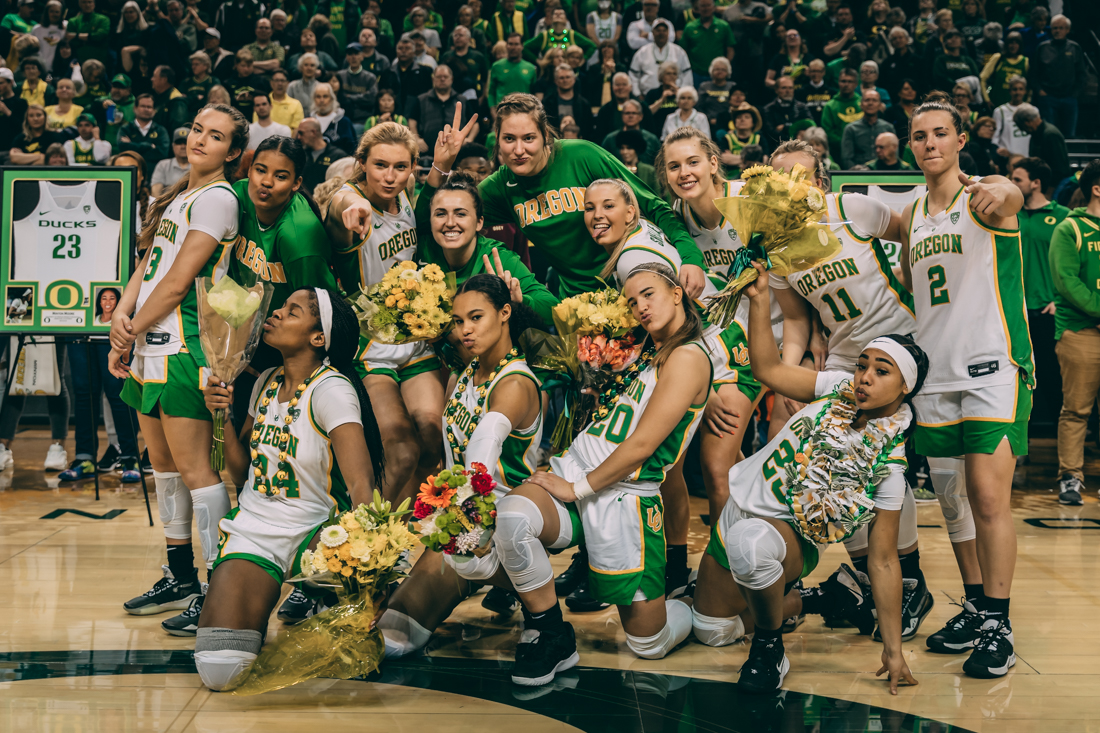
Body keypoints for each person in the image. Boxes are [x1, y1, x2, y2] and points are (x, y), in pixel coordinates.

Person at [693, 260, 923, 695]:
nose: (864, 377)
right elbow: (768, 369)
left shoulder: (889, 464)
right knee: (711, 629)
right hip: (738, 506)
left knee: (752, 547)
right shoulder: (836, 386)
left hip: (787, 536)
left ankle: (768, 646)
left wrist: (893, 651)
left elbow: (884, 559)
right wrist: (759, 299)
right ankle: (821, 598)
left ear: (905, 387)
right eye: (863, 365)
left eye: (881, 371)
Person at [481, 262, 707, 686]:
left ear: (677, 294)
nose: (639, 306)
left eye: (649, 294)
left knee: (648, 643)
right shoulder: (638, 350)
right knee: (512, 517)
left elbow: (642, 445)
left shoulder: (690, 356)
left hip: (626, 495)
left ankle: (698, 607)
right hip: (576, 473)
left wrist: (576, 487)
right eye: (631, 300)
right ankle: (549, 633)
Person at [766, 139, 934, 639]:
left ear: (820, 181)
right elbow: (795, 322)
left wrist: (908, 279)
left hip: (901, 343)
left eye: (800, 176)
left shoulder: (851, 207)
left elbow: (909, 231)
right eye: (779, 179)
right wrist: (788, 376)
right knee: (839, 468)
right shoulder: (776, 247)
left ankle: (911, 581)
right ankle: (869, 579)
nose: (790, 187)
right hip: (844, 358)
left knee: (883, 463)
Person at [193, 287, 385, 691]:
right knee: (219, 668)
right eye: (280, 308)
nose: (276, 314)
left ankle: (320, 591)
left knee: (357, 656)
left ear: (319, 337)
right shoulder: (265, 380)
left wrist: (368, 570)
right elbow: (242, 473)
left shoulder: (332, 389)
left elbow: (361, 483)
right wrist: (221, 415)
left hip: (317, 534)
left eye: (291, 311)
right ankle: (283, 598)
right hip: (255, 528)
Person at [898, 99, 1031, 679]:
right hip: (936, 376)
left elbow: (1012, 196)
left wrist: (1005, 188)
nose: (930, 143)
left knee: (988, 498)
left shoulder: (986, 196)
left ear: (958, 141)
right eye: (920, 136)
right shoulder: (911, 216)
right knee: (954, 506)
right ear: (911, 146)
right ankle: (977, 607)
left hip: (991, 369)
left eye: (941, 134)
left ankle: (999, 624)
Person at [111, 104, 249, 636]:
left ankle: (218, 588)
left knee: (197, 473)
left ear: (232, 152)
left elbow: (177, 282)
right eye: (197, 130)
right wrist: (122, 319)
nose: (200, 140)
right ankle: (180, 575)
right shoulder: (180, 193)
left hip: (186, 346)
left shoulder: (218, 199)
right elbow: (148, 268)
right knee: (163, 467)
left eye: (215, 137)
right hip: (148, 344)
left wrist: (131, 327)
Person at [372, 272, 543, 653]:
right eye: (458, 321)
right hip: (461, 520)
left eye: (476, 318)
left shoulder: (515, 382)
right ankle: (514, 587)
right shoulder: (468, 373)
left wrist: (454, 519)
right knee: (388, 632)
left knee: (393, 640)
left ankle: (536, 601)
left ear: (504, 313)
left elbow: (485, 444)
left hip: (501, 520)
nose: (465, 330)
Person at [324, 119, 465, 505]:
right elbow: (342, 204)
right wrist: (350, 208)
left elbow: (428, 195)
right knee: (401, 449)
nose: (389, 176)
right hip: (371, 349)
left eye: (400, 167)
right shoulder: (351, 201)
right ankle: (366, 533)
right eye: (380, 165)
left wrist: (442, 164)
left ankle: (398, 532)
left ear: (411, 169)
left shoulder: (406, 197)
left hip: (414, 341)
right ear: (362, 163)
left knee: (434, 437)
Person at [479, 93, 707, 299]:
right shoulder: (500, 186)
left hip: (636, 288)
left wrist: (691, 258)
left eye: (529, 138)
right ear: (497, 138)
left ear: (545, 135)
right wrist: (442, 168)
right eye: (509, 139)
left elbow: (654, 206)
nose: (519, 150)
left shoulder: (581, 155)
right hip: (579, 305)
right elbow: (450, 217)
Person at [1049, 160, 1100, 506]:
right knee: (1077, 409)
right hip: (1081, 331)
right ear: (1097, 188)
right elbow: (1067, 283)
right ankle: (1070, 477)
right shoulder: (1070, 228)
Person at [1011, 157, 1068, 441]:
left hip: (1049, 313)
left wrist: (1060, 298)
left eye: (1017, 179)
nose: (1011, 184)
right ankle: (1021, 448)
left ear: (1036, 183)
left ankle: (1064, 447)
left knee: (1055, 382)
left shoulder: (1064, 217)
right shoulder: (1008, 215)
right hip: (1014, 313)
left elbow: (1079, 263)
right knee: (1019, 384)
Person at [60, 287, 142, 483]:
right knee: (83, 395)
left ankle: (130, 458)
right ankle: (84, 457)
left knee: (119, 396)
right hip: (78, 330)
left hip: (110, 335)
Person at [1028, 15, 1084, 139]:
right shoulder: (1042, 47)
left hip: (1069, 97)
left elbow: (1081, 73)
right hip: (1048, 98)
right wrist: (1040, 91)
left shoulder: (1075, 48)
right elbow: (1033, 74)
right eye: (1054, 28)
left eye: (1061, 28)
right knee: (1049, 134)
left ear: (1068, 30)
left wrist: (1075, 93)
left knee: (1070, 135)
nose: (1057, 31)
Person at [408, 65, 478, 155]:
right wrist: (417, 139)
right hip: (428, 152)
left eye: (445, 77)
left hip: (457, 152)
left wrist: (469, 139)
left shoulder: (462, 100)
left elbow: (475, 123)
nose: (442, 79)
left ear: (451, 79)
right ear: (433, 79)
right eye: (439, 77)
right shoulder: (421, 99)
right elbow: (412, 121)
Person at [628, 21, 691, 98]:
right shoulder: (642, 52)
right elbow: (633, 75)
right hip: (647, 96)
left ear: (668, 33)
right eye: (658, 30)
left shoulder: (678, 51)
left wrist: (682, 93)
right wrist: (637, 94)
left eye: (664, 30)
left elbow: (687, 74)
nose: (661, 33)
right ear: (653, 33)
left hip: (675, 95)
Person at [1013, 103, 1069, 189]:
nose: (1021, 130)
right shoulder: (1035, 135)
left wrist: (1050, 189)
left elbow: (1059, 167)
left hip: (1056, 186)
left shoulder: (1050, 134)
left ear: (1027, 121)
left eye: (1020, 126)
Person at [841, 89, 892, 170]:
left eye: (874, 100)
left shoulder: (888, 128)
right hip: (858, 176)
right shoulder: (850, 129)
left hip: (884, 175)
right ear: (861, 105)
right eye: (867, 100)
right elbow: (847, 159)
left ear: (880, 105)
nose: (870, 103)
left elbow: (893, 156)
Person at [541, 64, 593, 140]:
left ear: (574, 79)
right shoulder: (547, 103)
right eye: (561, 78)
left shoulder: (584, 104)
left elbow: (588, 130)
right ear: (556, 81)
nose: (565, 80)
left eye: (568, 77)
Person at [118, 94, 170, 168]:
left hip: (154, 174)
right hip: (130, 171)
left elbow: (162, 153)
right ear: (135, 108)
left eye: (149, 107)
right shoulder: (125, 129)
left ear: (154, 111)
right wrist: (148, 146)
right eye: (143, 106)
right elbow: (123, 149)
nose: (146, 109)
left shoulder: (161, 131)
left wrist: (132, 145)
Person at [296, 118, 346, 192]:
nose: (299, 137)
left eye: (301, 133)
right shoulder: (300, 155)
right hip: (304, 201)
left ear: (313, 132)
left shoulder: (338, 156)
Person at [980, 32, 1027, 111]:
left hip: (1018, 108)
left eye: (1016, 43)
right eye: (1011, 43)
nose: (1013, 46)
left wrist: (1027, 102)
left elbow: (1029, 86)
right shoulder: (998, 58)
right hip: (996, 105)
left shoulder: (1025, 61)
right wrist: (986, 99)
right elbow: (982, 78)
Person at [821, 68, 861, 161]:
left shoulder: (863, 103)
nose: (846, 85)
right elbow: (827, 132)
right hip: (837, 152)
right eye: (843, 81)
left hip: (861, 151)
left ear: (856, 84)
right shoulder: (830, 106)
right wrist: (847, 143)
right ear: (838, 82)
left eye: (850, 81)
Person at [487, 33, 537, 107]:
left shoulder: (531, 68)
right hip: (502, 111)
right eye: (510, 44)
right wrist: (492, 111)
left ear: (522, 46)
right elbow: (491, 93)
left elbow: (534, 94)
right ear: (506, 46)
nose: (513, 47)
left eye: (516, 44)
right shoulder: (496, 66)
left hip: (524, 111)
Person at [762, 76, 812, 147]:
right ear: (776, 90)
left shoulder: (802, 107)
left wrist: (784, 128)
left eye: (790, 88)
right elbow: (770, 133)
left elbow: (811, 126)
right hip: (776, 147)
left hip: (799, 147)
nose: (788, 91)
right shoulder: (768, 109)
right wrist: (796, 130)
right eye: (784, 88)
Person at [717, 104, 761, 180]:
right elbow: (724, 159)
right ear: (734, 122)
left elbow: (763, 161)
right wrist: (751, 161)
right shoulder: (726, 139)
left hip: (755, 178)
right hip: (731, 179)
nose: (742, 120)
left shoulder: (760, 138)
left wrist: (735, 159)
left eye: (746, 117)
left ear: (753, 122)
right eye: (738, 117)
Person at [224, 50, 270, 123]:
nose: (246, 69)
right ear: (236, 65)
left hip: (256, 119)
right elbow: (224, 104)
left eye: (249, 66)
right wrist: (236, 99)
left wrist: (254, 97)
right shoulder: (228, 83)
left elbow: (269, 100)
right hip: (234, 119)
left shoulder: (261, 81)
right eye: (243, 66)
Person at [991, 76, 1029, 160]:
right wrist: (999, 149)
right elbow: (995, 136)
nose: (1017, 92)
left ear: (1025, 91)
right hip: (1007, 158)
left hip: (1027, 156)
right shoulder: (1000, 111)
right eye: (1015, 89)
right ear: (1010, 91)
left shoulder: (1032, 110)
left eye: (1021, 89)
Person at [67, 0, 111, 67]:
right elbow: (73, 42)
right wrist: (92, 40)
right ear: (79, 4)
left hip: (100, 61)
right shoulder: (72, 21)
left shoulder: (103, 19)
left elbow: (100, 36)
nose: (87, 5)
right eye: (84, 2)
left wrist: (76, 36)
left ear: (94, 4)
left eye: (90, 2)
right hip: (79, 61)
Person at [151, 127, 191, 196]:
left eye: (186, 143)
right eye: (179, 143)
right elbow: (155, 193)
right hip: (167, 205)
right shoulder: (163, 165)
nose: (183, 146)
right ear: (173, 146)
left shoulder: (199, 166)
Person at [797, 59, 836, 124]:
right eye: (813, 71)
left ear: (823, 72)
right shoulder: (800, 92)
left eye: (818, 71)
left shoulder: (832, 93)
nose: (815, 74)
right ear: (809, 72)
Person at [267, 69, 303, 137]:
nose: (280, 84)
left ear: (288, 83)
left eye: (282, 81)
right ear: (271, 83)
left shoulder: (296, 104)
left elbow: (296, 128)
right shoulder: (263, 103)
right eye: (276, 80)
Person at [182, 51, 219, 118]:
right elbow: (181, 100)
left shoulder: (213, 81)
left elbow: (209, 100)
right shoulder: (186, 82)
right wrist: (196, 98)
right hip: (188, 115)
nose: (193, 67)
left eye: (196, 64)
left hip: (207, 115)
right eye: (192, 64)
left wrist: (189, 98)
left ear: (205, 66)